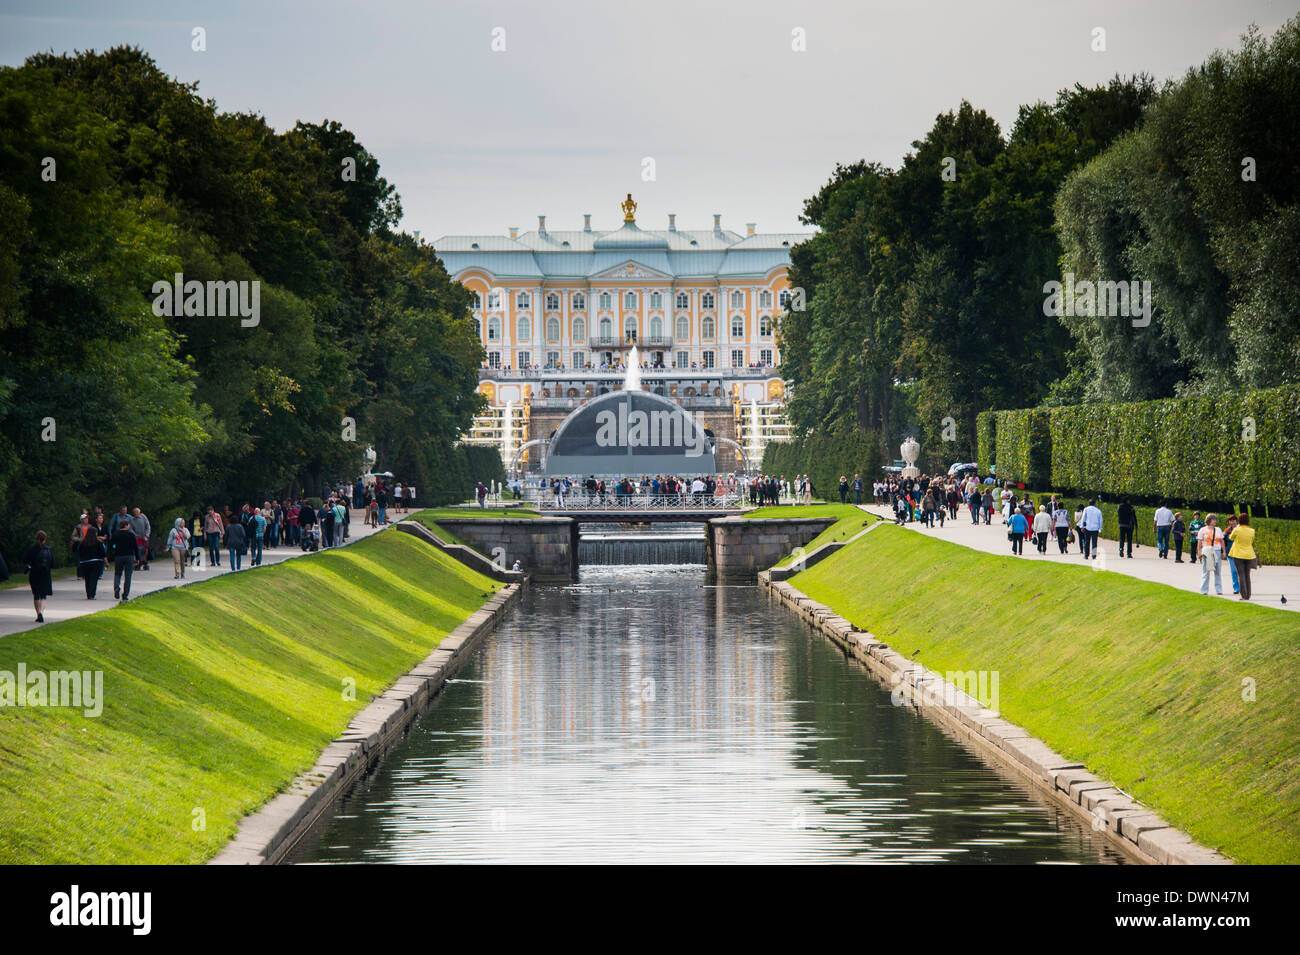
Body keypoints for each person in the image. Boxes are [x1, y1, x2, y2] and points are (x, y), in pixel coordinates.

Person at [23, 530, 54, 622]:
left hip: (34, 573)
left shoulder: (31, 549)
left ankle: (38, 614)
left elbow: (25, 559)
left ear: (36, 538)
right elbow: (52, 563)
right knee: (43, 595)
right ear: (45, 539)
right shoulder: (48, 549)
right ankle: (41, 612)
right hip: (45, 574)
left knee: (36, 594)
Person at [1229, 513, 1257, 601]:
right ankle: (1248, 595)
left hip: (1238, 554)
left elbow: (1231, 537)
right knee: (1247, 575)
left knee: (1241, 575)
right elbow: (1251, 540)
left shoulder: (1237, 530)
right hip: (1249, 554)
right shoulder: (1252, 531)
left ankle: (1243, 595)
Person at [109, 518, 137, 601]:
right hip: (129, 556)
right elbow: (135, 547)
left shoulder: (116, 534)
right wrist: (138, 558)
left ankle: (116, 587)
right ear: (126, 526)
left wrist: (113, 551)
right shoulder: (131, 535)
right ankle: (125, 594)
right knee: (128, 576)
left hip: (119, 556)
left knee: (117, 573)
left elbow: (111, 545)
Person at [77, 525, 107, 598]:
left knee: (87, 578)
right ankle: (92, 593)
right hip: (96, 562)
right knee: (94, 579)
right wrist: (105, 561)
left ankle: (88, 593)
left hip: (85, 563)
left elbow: (79, 552)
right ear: (95, 533)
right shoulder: (98, 542)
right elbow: (103, 553)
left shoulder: (83, 542)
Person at [1198, 513, 1224, 596]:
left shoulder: (1218, 529)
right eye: (1213, 520)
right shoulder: (1202, 530)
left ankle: (1219, 590)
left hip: (1216, 550)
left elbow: (1221, 541)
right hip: (1206, 551)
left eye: (1215, 520)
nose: (1215, 521)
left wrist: (1224, 551)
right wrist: (1199, 552)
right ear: (1209, 520)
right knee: (1206, 571)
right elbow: (1199, 542)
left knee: (1218, 571)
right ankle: (1204, 590)